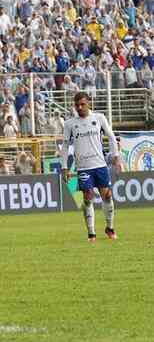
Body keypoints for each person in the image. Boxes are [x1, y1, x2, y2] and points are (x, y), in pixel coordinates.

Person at [61, 92, 120, 242]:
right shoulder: (69, 124)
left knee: (107, 195)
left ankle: (110, 228)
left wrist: (116, 156)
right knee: (88, 197)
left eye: (82, 104)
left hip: (100, 164)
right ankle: (91, 233)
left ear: (89, 103)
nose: (80, 107)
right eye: (77, 105)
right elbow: (65, 146)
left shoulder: (99, 118)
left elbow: (111, 137)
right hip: (83, 167)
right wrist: (64, 167)